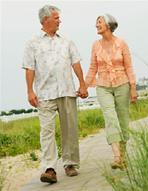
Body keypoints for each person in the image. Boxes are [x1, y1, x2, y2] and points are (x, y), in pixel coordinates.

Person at [23, 5, 88, 183]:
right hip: (44, 94)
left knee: (70, 129)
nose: (60, 20)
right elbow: (29, 68)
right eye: (56, 17)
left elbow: (75, 63)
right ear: (46, 20)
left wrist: (82, 84)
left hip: (67, 90)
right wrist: (30, 91)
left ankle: (70, 163)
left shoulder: (67, 41)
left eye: (59, 17)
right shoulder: (32, 43)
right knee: (46, 131)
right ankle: (49, 169)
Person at [85, 14, 137, 169]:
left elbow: (129, 66)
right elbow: (93, 67)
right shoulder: (95, 45)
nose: (96, 25)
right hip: (103, 86)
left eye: (99, 22)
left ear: (108, 24)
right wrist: (84, 85)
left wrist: (133, 88)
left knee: (122, 120)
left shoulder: (121, 43)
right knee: (110, 117)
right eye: (96, 22)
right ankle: (116, 156)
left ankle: (122, 157)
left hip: (122, 84)